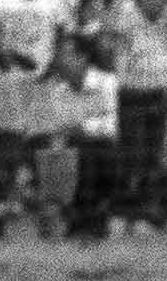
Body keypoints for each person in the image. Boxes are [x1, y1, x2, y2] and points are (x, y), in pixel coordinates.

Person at [0, 0, 67, 216]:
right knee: (9, 143)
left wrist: (53, 70)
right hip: (9, 80)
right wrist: (12, 62)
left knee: (43, 143)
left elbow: (62, 40)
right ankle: (6, 202)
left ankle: (46, 205)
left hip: (44, 80)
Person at [107, 0, 167, 233]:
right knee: (132, 157)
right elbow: (108, 32)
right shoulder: (128, 15)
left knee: (154, 157)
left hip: (159, 93)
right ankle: (125, 215)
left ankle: (147, 214)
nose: (155, 0)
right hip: (132, 93)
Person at [32, 26, 118, 235]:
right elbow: (51, 124)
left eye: (66, 54)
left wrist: (83, 128)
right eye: (59, 54)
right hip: (70, 147)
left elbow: (114, 125)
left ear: (83, 57)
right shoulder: (56, 88)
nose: (60, 59)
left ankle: (91, 216)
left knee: (90, 150)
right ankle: (60, 216)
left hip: (106, 148)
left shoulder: (106, 83)